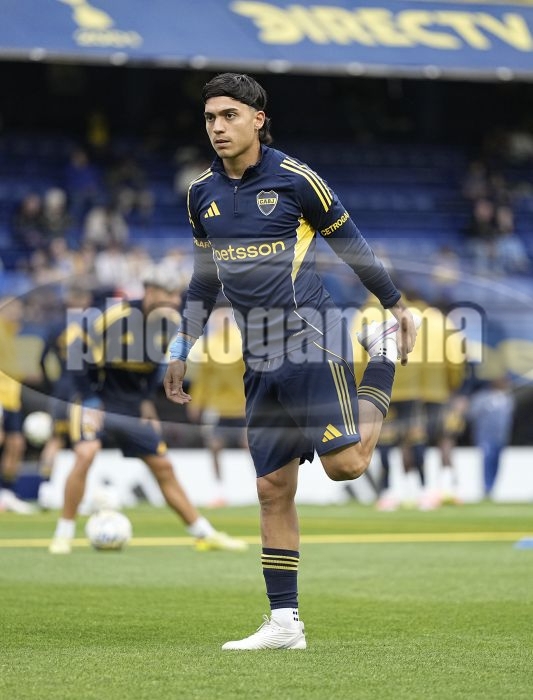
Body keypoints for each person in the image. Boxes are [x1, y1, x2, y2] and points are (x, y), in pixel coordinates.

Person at [163, 73, 419, 650]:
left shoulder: (296, 179)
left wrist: (396, 305)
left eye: (229, 115)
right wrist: (182, 346)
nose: (218, 127)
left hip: (311, 341)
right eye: (210, 118)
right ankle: (284, 623)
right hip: (257, 355)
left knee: (346, 467)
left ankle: (380, 355)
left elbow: (351, 244)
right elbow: (204, 280)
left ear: (258, 119)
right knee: (272, 487)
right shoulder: (200, 194)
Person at [49, 267, 248, 554]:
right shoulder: (115, 316)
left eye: (177, 295)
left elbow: (152, 368)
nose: (174, 301)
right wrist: (90, 400)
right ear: (150, 292)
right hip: (95, 398)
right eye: (169, 294)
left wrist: (145, 403)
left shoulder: (170, 324)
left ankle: (204, 534)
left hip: (130, 405)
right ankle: (63, 535)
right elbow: (77, 352)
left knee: (163, 467)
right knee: (86, 453)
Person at [186, 306, 248, 507]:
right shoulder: (210, 345)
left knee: (251, 446)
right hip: (219, 408)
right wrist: (197, 402)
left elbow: (250, 375)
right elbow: (203, 378)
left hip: (241, 406)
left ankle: (262, 484)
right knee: (214, 446)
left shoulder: (241, 343)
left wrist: (250, 400)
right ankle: (219, 489)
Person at [0, 297, 36, 514]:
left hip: (12, 398)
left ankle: (6, 492)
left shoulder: (10, 330)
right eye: (12, 308)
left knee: (17, 444)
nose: (17, 312)